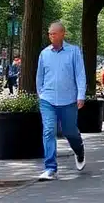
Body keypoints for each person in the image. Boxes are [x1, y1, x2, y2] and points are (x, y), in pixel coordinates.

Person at [35, 21, 87, 182]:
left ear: (63, 34)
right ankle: (50, 168)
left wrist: (81, 95)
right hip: (48, 100)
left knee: (69, 131)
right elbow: (40, 76)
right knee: (49, 130)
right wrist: (41, 93)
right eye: (49, 34)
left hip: (69, 100)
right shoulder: (44, 53)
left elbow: (80, 74)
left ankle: (79, 150)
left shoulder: (73, 52)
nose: (51, 36)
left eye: (54, 33)